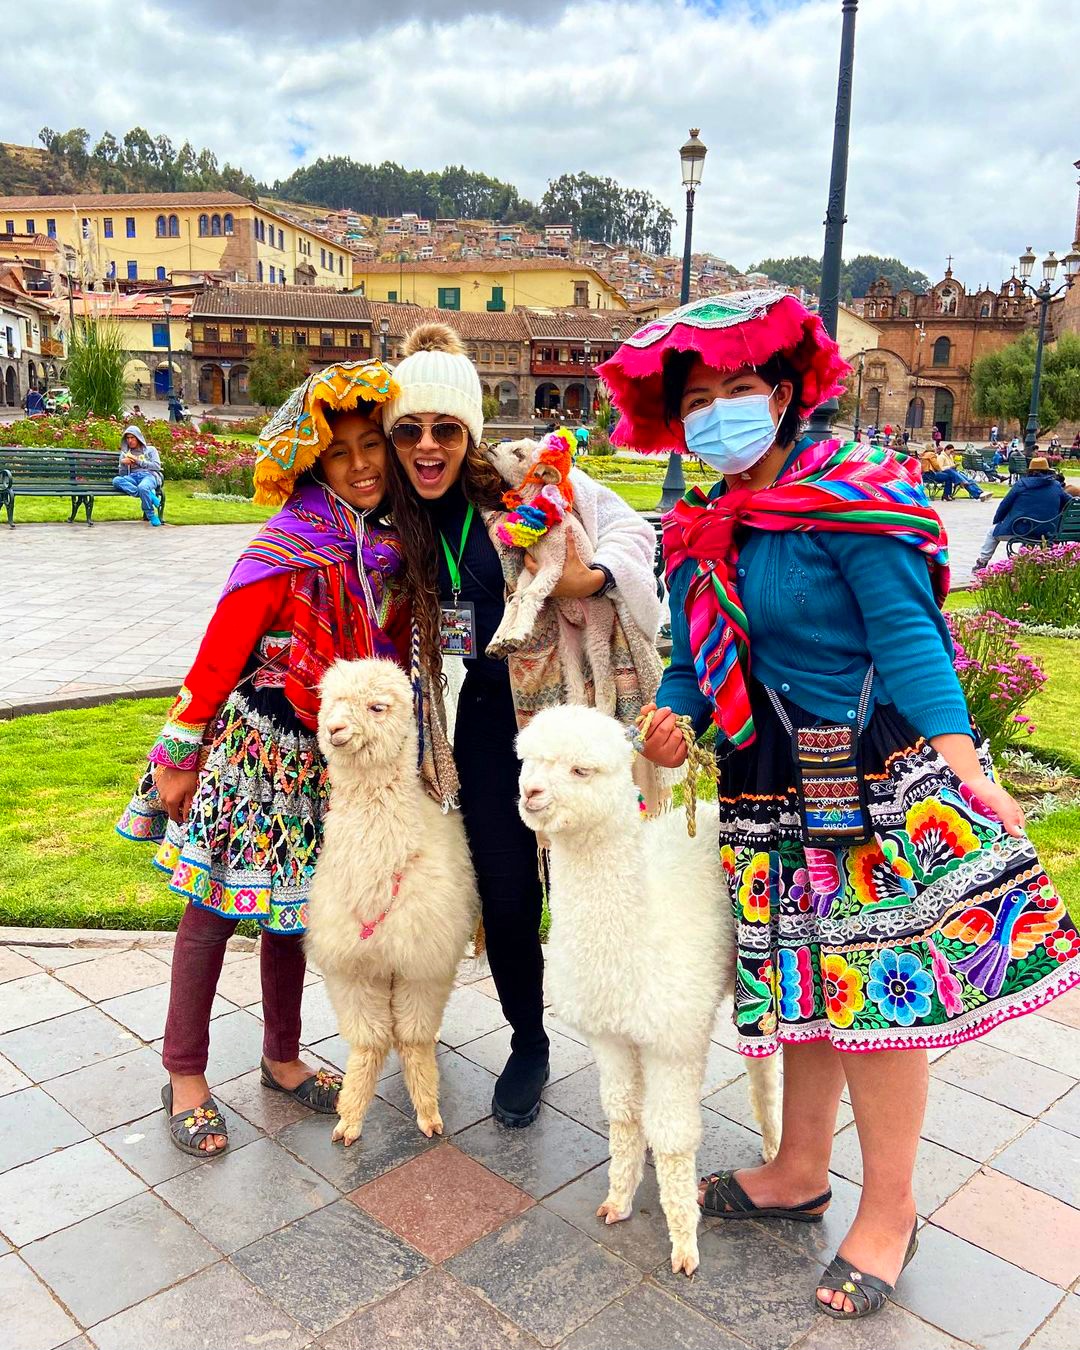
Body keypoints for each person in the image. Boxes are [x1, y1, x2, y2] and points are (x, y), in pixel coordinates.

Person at [598, 289, 1080, 1321]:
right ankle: (800, 1169)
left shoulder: (857, 494)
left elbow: (910, 639)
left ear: (782, 394)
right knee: (804, 983)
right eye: (696, 400)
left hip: (867, 779)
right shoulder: (699, 527)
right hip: (767, 783)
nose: (716, 413)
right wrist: (674, 716)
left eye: (736, 388)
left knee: (878, 1001)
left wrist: (964, 762)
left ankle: (892, 1210)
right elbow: (692, 658)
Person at [116, 360, 420, 1157]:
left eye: (371, 445)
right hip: (255, 758)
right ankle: (184, 1072)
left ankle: (282, 1058)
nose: (361, 464)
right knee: (213, 912)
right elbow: (220, 654)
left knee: (294, 915)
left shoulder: (388, 547)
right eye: (339, 451)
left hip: (327, 763)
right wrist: (179, 754)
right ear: (313, 463)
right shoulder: (286, 545)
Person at [380, 323, 662, 1129]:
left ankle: (639, 1044)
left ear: (469, 432)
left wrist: (591, 577)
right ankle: (529, 1042)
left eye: (445, 429)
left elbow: (633, 531)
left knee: (598, 891)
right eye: (409, 430)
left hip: (562, 717)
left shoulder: (522, 480)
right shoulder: (393, 518)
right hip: (475, 726)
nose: (427, 446)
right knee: (506, 899)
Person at [974, 456, 1080, 568]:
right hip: (1048, 532)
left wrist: (997, 521)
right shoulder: (1056, 486)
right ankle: (1026, 562)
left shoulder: (1021, 485)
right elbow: (1071, 502)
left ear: (1030, 471)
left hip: (1020, 529)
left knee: (992, 533)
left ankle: (982, 562)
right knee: (1032, 535)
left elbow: (1004, 506)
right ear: (1048, 471)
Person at [113, 425, 164, 526]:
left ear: (138, 437)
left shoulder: (150, 450)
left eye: (132, 438)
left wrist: (137, 461)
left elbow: (157, 466)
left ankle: (151, 515)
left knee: (143, 487)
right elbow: (123, 475)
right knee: (116, 481)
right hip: (133, 477)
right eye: (127, 438)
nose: (130, 440)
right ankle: (150, 495)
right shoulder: (125, 454)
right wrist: (123, 464)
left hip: (149, 476)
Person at [918, 445, 991, 501]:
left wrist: (952, 467)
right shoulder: (932, 454)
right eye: (951, 451)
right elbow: (938, 466)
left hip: (932, 474)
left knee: (967, 479)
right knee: (950, 474)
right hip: (932, 474)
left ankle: (979, 492)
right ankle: (964, 487)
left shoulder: (926, 454)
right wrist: (949, 467)